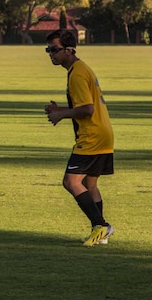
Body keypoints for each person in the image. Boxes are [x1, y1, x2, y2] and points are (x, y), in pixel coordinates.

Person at [44, 29, 114, 246]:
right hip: (104, 133)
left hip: (91, 136)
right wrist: (62, 109)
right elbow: (84, 106)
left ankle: (101, 225)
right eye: (48, 50)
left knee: (71, 181)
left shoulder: (77, 73)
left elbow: (87, 109)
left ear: (69, 49)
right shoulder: (80, 69)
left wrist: (60, 114)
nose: (51, 54)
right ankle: (100, 233)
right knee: (90, 183)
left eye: (54, 50)